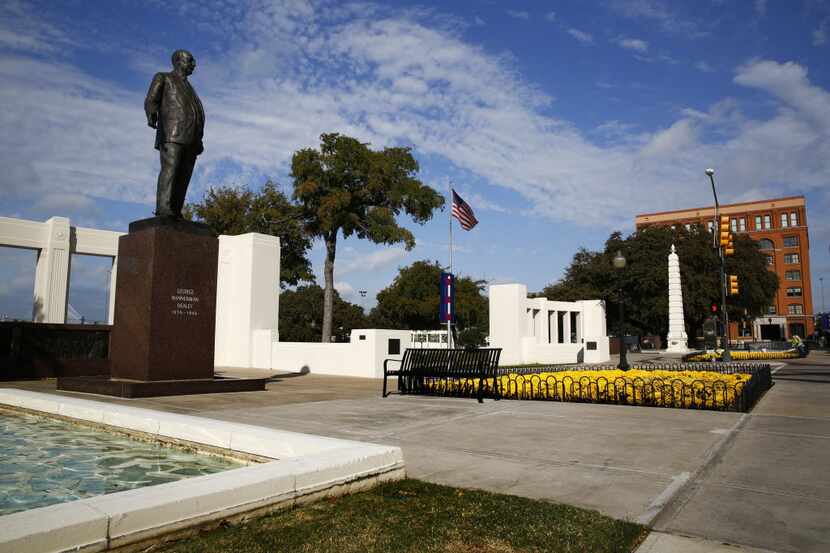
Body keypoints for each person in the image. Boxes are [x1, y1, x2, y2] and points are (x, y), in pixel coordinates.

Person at [144, 49, 205, 218]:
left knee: (184, 176)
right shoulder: (163, 77)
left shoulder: (190, 88)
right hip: (172, 134)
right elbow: (151, 99)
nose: (193, 64)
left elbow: (196, 113)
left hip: (191, 139)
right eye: (190, 60)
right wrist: (152, 113)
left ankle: (176, 210)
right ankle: (163, 208)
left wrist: (199, 138)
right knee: (170, 170)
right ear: (178, 61)